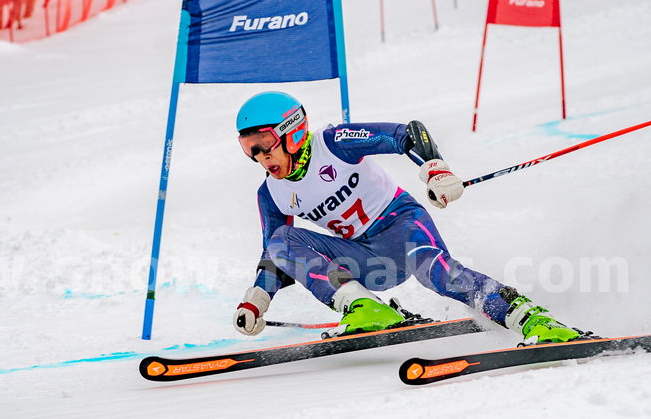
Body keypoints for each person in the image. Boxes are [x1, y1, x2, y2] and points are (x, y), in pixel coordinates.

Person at [230, 91, 585, 341]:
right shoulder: (271, 194)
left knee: (437, 275)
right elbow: (274, 257)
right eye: (249, 150)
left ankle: (530, 318)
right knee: (282, 241)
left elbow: (407, 134)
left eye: (263, 144)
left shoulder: (334, 142)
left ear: (292, 132)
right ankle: (365, 308)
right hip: (366, 260)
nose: (260, 157)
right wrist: (257, 300)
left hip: (402, 226)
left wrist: (435, 170)